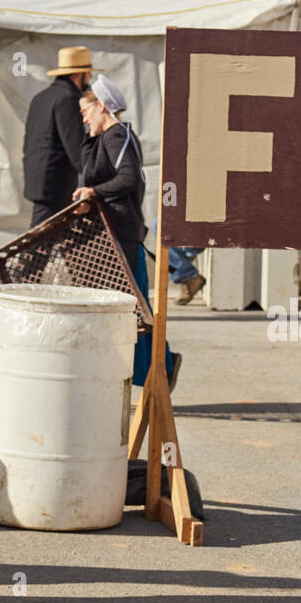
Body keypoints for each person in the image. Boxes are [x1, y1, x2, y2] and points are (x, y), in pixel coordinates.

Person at [73, 77, 179, 391]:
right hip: (115, 233)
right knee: (131, 306)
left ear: (102, 105)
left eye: (86, 110)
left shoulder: (117, 136)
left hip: (122, 234)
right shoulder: (107, 137)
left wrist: (94, 191)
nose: (83, 117)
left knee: (135, 307)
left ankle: (164, 365)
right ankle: (154, 369)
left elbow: (129, 178)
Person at [24, 46, 91, 227]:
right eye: (88, 73)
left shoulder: (41, 97)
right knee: (38, 245)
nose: (91, 78)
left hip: (41, 179)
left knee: (65, 242)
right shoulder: (67, 99)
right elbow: (76, 148)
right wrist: (93, 178)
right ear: (78, 74)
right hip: (55, 184)